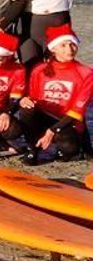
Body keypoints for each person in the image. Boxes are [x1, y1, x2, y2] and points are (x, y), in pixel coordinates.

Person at [16, 25, 93, 163]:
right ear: (53, 49)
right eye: (63, 45)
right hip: (44, 116)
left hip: (67, 119)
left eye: (72, 44)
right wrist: (24, 100)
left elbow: (77, 111)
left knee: (69, 148)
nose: (69, 49)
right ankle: (31, 147)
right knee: (26, 109)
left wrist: (53, 130)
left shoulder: (86, 73)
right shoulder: (39, 70)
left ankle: (57, 143)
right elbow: (33, 98)